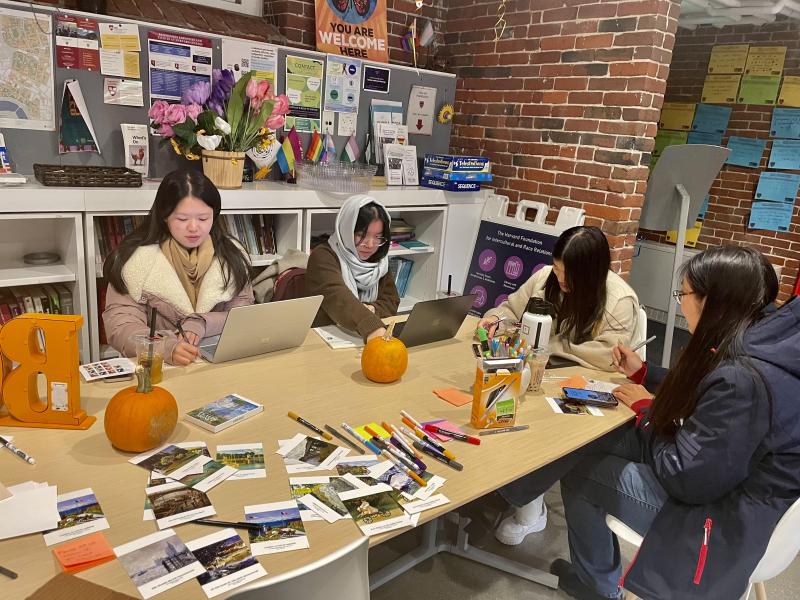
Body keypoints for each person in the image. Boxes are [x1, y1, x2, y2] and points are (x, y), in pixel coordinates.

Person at [550, 246, 800, 600]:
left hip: (718, 519)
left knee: (581, 473)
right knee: (599, 440)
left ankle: (600, 589)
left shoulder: (744, 379)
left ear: (712, 301)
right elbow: (708, 393)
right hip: (740, 493)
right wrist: (645, 374)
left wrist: (649, 413)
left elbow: (685, 478)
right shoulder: (763, 343)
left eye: (682, 293)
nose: (680, 303)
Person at [475, 225, 640, 544]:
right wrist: (494, 321)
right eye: (558, 269)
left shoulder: (619, 300)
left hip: (576, 384)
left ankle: (522, 502)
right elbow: (509, 310)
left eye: (569, 274)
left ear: (593, 273)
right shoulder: (545, 278)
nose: (560, 280)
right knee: (496, 401)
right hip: (533, 373)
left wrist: (548, 346)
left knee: (545, 424)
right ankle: (497, 486)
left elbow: (608, 358)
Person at [102, 169, 254, 366]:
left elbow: (243, 315)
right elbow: (121, 325)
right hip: (159, 369)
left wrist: (202, 323)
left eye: (203, 218)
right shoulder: (135, 261)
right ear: (165, 216)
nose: (193, 227)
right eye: (182, 219)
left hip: (220, 366)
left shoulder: (233, 256)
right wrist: (164, 347)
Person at [305, 194, 399, 341]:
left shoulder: (379, 259)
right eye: (361, 235)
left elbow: (391, 300)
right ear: (347, 230)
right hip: (324, 340)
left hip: (362, 339)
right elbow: (340, 300)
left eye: (378, 237)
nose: (370, 244)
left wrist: (373, 309)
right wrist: (370, 325)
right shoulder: (323, 257)